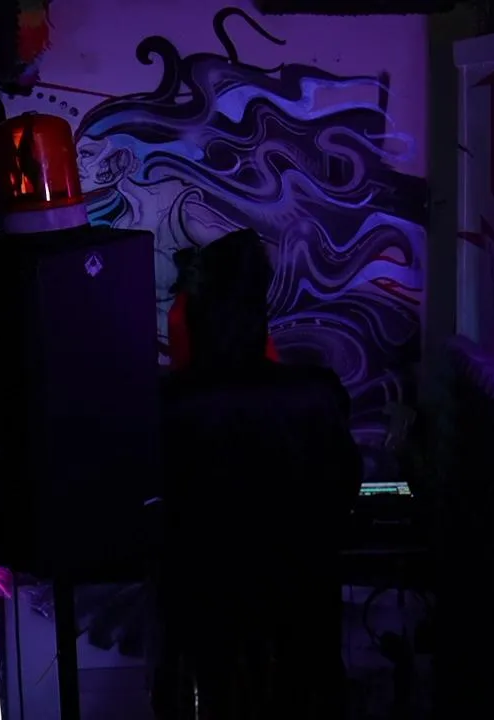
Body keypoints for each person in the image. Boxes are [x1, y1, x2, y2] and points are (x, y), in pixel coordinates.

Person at [151, 229, 362, 720]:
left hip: (207, 610)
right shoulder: (317, 392)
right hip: (302, 607)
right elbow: (344, 489)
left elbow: (157, 504)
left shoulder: (170, 403)